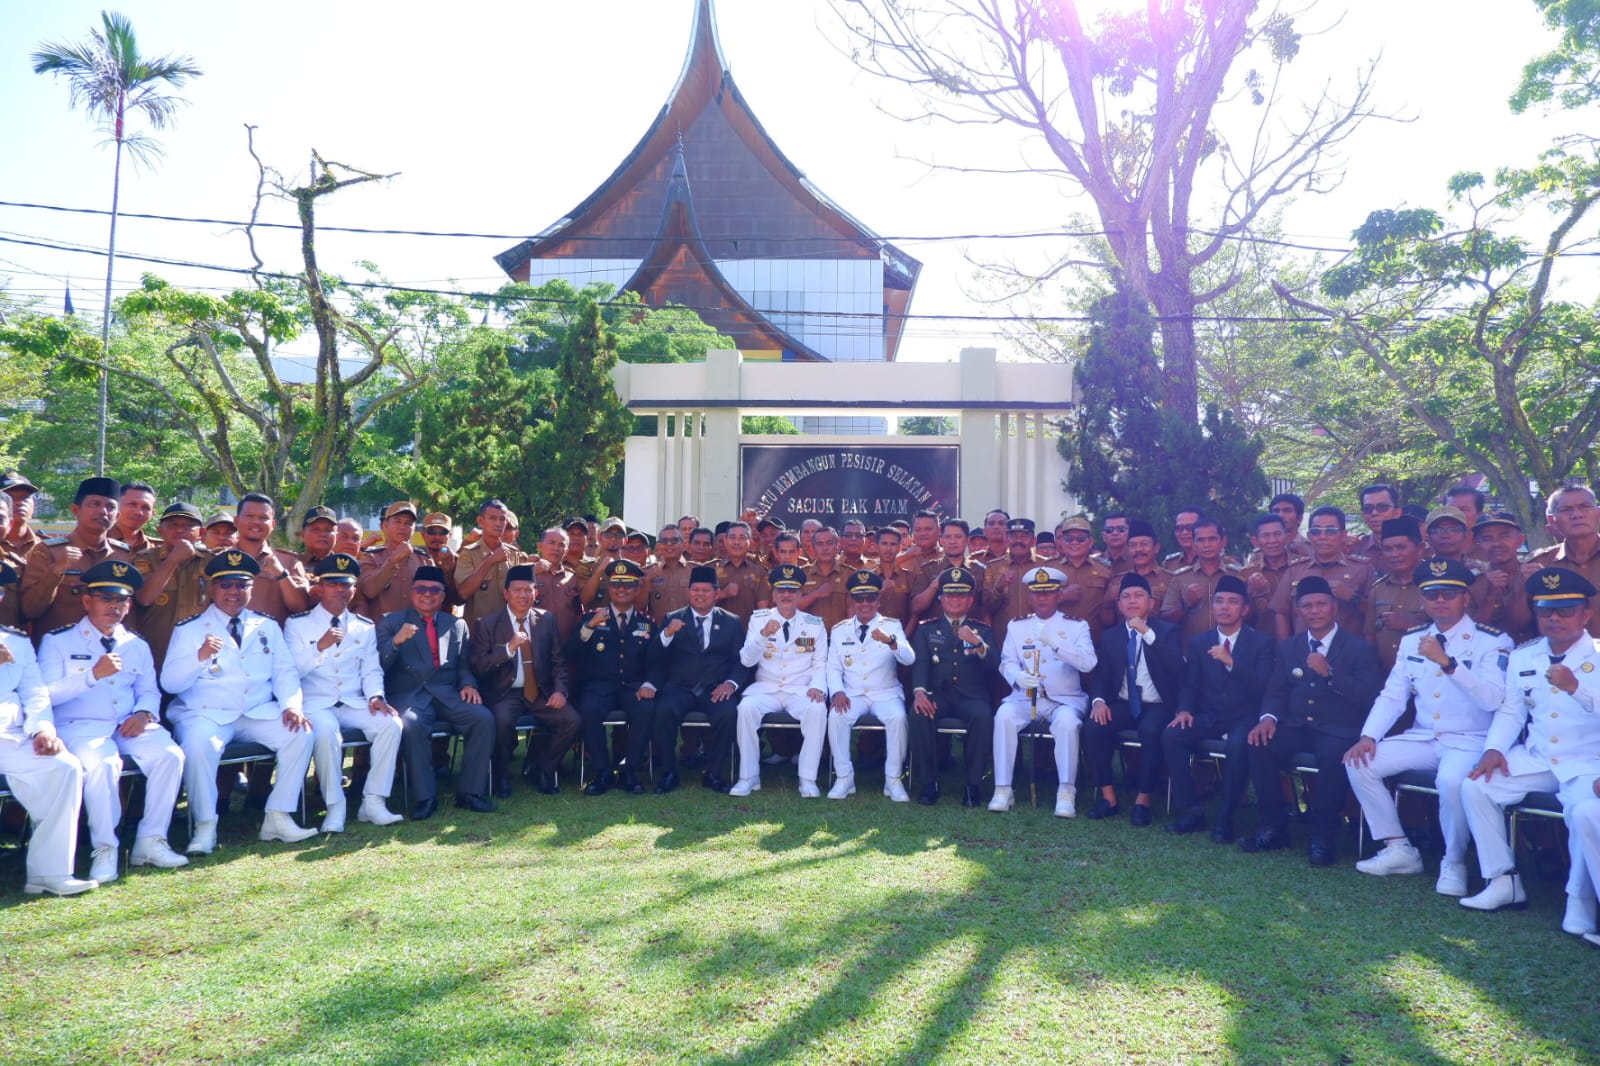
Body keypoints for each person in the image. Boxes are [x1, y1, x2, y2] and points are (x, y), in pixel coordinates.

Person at [1344, 559, 1512, 896]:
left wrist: (1448, 664)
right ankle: (1398, 848)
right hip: (1424, 738)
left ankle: (1454, 862)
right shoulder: (1413, 639)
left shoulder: (1492, 640)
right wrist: (1369, 736)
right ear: (1423, 600)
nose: (1440, 601)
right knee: (1359, 763)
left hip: (1469, 740)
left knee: (1451, 783)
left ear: (1466, 598)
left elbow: (1493, 700)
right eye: (1432, 594)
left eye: (1449, 594)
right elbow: (1393, 695)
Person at [1459, 569, 1600, 934]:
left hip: (1588, 763)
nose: (1554, 619)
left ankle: (1579, 900)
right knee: (1476, 785)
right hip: (1539, 757)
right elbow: (1512, 710)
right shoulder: (1525, 656)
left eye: (1565, 610)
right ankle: (1502, 880)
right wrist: (1494, 748)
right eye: (1546, 611)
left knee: (1583, 813)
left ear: (1586, 614)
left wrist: (1577, 689)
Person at [40, 560, 187, 881]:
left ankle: (151, 840)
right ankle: (105, 849)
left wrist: (144, 713)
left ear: (129, 604)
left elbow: (149, 690)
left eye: (121, 600)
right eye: (106, 598)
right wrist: (92, 675)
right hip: (80, 725)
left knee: (170, 755)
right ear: (87, 601)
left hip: (126, 723)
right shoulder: (59, 641)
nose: (114, 606)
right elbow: (46, 695)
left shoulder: (136, 643)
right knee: (104, 764)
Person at [162, 550, 317, 854]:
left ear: (251, 588)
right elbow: (170, 683)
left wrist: (291, 705)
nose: (234, 592)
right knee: (198, 746)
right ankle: (205, 826)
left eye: (241, 585)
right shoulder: (190, 628)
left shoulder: (266, 626)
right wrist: (200, 657)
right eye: (226, 584)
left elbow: (285, 672)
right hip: (205, 713)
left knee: (300, 733)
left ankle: (278, 816)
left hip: (254, 711)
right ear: (212, 588)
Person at [1240, 576, 1385, 865]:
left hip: (1338, 728)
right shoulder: (1289, 647)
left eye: (1321, 604)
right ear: (1299, 611)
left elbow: (1370, 697)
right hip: (1297, 725)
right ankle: (1274, 827)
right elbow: (1277, 689)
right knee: (1260, 744)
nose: (1314, 611)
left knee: (1334, 758)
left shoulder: (1360, 649)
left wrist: (1330, 673)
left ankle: (1323, 837)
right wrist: (1268, 717)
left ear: (1334, 608)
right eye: (1307, 606)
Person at [285, 553, 405, 831]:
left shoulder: (363, 625)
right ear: (319, 588)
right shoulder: (298, 624)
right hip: (316, 703)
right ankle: (335, 806)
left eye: (347, 584)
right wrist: (319, 647)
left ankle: (374, 801)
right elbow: (290, 671)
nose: (341, 590)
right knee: (326, 734)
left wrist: (375, 696)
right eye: (333, 584)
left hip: (353, 701)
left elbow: (371, 669)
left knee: (391, 724)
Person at [0, 562, 94, 895]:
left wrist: (42, 731)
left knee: (65, 767)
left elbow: (35, 692)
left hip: (10, 736)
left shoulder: (16, 642)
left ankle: (48, 873)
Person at [377, 565, 495, 819]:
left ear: (443, 595)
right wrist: (396, 641)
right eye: (421, 589)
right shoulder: (392, 621)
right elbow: (378, 665)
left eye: (434, 590)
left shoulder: (456, 624)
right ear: (411, 592)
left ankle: (470, 792)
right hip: (409, 694)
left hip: (447, 693)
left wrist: (469, 684)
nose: (427, 594)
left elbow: (465, 664)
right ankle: (425, 797)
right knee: (411, 724)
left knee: (482, 718)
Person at [1162, 574, 1274, 840]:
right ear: (1212, 607)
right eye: (1219, 601)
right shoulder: (1201, 641)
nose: (1225, 607)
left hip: (1244, 717)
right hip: (1209, 716)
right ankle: (1191, 811)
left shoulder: (1262, 643)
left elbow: (1263, 687)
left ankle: (1226, 816)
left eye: (1232, 602)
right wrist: (1184, 710)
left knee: (1238, 745)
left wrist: (1231, 662)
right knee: (1171, 735)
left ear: (1244, 609)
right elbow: (1190, 684)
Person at [988, 566, 1097, 818]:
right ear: (1030, 596)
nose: (1042, 598)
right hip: (1026, 697)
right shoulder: (1017, 626)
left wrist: (1056, 643)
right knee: (1003, 716)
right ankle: (1003, 788)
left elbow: (1089, 663)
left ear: (1059, 594)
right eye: (1037, 593)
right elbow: (1007, 661)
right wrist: (1018, 677)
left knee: (1068, 724)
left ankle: (1066, 791)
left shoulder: (1077, 626)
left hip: (1064, 699)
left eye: (1048, 592)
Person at [1083, 572, 1185, 825]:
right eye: (1126, 597)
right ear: (1119, 605)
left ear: (1151, 602)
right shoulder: (1111, 635)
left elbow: (1178, 669)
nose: (1132, 601)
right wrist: (1098, 701)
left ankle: (1144, 799)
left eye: (1139, 596)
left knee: (1151, 731)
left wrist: (1148, 633)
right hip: (1124, 703)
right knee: (1093, 727)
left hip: (1158, 704)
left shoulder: (1169, 631)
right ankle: (1108, 797)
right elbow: (1102, 676)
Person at [469, 563, 575, 798]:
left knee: (571, 721)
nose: (523, 595)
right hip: (505, 693)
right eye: (517, 590)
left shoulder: (546, 619)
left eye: (529, 590)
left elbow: (558, 661)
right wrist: (508, 649)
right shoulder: (487, 624)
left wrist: (560, 691)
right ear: (505, 593)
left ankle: (543, 770)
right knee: (503, 722)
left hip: (540, 692)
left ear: (536, 593)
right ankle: (501, 774)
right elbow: (478, 666)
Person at [731, 565, 829, 798]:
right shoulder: (759, 619)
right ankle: (748, 777)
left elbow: (820, 663)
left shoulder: (814, 624)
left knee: (817, 709)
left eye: (792, 591)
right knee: (746, 708)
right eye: (781, 590)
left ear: (800, 594)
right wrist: (763, 635)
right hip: (767, 688)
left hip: (800, 689)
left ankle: (808, 779)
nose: (786, 595)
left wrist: (817, 687)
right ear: (774, 595)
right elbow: (746, 660)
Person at [651, 565, 749, 794]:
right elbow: (654, 656)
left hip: (715, 688)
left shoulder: (732, 622)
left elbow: (741, 661)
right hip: (680, 688)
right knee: (663, 711)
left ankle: (713, 773)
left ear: (716, 593)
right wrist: (667, 634)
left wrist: (731, 684)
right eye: (696, 589)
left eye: (706, 590)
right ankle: (668, 773)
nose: (700, 594)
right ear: (689, 592)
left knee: (728, 713)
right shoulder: (672, 618)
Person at [909, 567, 1001, 807]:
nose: (955, 599)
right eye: (949, 595)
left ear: (970, 600)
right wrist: (919, 692)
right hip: (938, 695)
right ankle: (929, 784)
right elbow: (920, 663)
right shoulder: (926, 628)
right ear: (941, 599)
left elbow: (994, 665)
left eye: (961, 595)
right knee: (919, 714)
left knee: (983, 718)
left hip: (971, 696)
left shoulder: (983, 630)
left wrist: (978, 644)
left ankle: (973, 786)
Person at [568, 560, 657, 796]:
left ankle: (629, 771)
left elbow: (656, 661)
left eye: (628, 585)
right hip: (599, 687)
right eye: (616, 584)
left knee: (646, 709)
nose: (621, 589)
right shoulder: (592, 618)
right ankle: (602, 772)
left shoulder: (646, 623)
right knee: (589, 709)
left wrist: (649, 684)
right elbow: (571, 652)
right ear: (609, 588)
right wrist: (589, 627)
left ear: (637, 589)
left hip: (633, 687)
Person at [825, 570, 914, 802]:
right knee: (836, 716)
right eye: (859, 599)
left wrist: (891, 642)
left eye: (870, 598)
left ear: (878, 600)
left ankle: (893, 779)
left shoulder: (892, 626)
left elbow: (909, 658)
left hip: (885, 692)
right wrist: (837, 691)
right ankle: (844, 778)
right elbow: (833, 667)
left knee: (897, 718)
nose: (865, 604)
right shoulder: (839, 630)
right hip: (852, 693)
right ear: (851, 601)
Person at [20, 476, 137, 639]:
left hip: (108, 651)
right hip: (59, 651)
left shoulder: (122, 555)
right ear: (76, 510)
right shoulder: (50, 551)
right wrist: (56, 572)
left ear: (117, 516)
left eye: (110, 507)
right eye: (95, 504)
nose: (103, 511)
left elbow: (130, 612)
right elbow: (30, 609)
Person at [1266, 506, 1372, 640]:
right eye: (1316, 531)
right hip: (1303, 652)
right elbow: (1281, 613)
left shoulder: (1362, 569)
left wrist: (1352, 598)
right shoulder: (1295, 569)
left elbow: (1374, 614)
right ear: (1309, 536)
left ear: (1344, 535)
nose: (1323, 537)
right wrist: (1285, 650)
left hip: (1348, 655)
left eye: (1330, 531)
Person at [132, 501, 211, 670]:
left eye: (189, 526)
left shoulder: (211, 561)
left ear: (202, 533)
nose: (180, 530)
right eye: (172, 525)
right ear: (160, 531)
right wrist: (173, 559)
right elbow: (144, 598)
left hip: (199, 653)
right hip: (155, 651)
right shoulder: (144, 559)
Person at [1525, 485, 1600, 636]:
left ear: (1598, 513)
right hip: (1560, 655)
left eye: (1584, 507)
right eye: (1566, 510)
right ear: (1552, 521)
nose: (1577, 515)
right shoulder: (1542, 563)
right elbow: (1518, 624)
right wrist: (1522, 586)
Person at [1160, 517, 1243, 644]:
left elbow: (1250, 616)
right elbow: (1165, 619)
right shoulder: (1180, 578)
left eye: (1212, 539)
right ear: (1193, 544)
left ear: (1223, 542)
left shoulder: (1237, 575)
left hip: (1232, 650)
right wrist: (1187, 605)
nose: (1206, 545)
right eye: (1200, 540)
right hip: (1193, 653)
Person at [232, 493, 311, 622]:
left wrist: (281, 574)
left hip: (271, 639)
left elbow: (300, 608)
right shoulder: (218, 559)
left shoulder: (289, 562)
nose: (256, 522)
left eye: (263, 518)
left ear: (273, 524)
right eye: (249, 516)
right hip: (224, 639)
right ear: (236, 521)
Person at [1363, 516, 1429, 672]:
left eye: (1401, 547)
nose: (1394, 554)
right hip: (1388, 676)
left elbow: (1455, 633)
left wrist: (1413, 625)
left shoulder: (1436, 584)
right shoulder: (1379, 588)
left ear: (1419, 548)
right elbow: (1370, 635)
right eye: (1388, 549)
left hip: (1429, 678)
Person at [454, 499, 528, 627]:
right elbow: (463, 593)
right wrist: (490, 561)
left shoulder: (514, 554)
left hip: (508, 629)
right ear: (480, 521)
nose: (498, 523)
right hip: (478, 630)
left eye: (502, 519)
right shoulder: (468, 553)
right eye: (492, 518)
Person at [1471, 511, 1535, 644]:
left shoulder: (1533, 575)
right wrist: (1489, 598)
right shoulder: (1473, 582)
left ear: (1520, 540)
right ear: (1478, 544)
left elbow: (1519, 625)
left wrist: (1521, 588)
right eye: (1487, 538)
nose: (1496, 543)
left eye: (1504, 536)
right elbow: (1470, 634)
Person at [359, 501, 430, 620]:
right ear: (385, 525)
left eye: (408, 523)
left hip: (415, 630)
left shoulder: (424, 559)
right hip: (381, 631)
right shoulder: (371, 557)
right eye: (397, 521)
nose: (403, 527)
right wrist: (393, 560)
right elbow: (369, 591)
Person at [114, 482, 157, 555]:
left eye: (146, 508)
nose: (139, 512)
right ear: (115, 506)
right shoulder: (94, 542)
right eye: (132, 505)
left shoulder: (157, 549)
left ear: (152, 513)